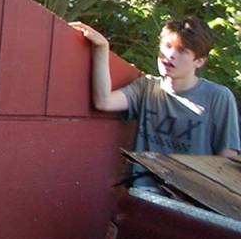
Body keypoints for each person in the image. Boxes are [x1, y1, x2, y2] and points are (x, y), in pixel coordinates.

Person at [72, 17, 240, 187]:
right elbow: (104, 102)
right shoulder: (146, 88)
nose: (170, 55)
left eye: (182, 51)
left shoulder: (218, 97)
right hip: (144, 194)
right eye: (167, 46)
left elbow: (227, 158)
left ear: (199, 61)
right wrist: (102, 48)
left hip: (192, 200)